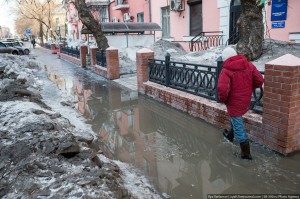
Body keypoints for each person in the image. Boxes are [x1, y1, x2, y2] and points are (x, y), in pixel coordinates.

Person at [217, 47, 264, 160]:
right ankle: (230, 136)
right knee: (235, 119)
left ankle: (246, 154)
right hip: (245, 100)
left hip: (234, 102)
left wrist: (223, 100)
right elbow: (259, 80)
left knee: (239, 126)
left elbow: (222, 89)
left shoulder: (226, 70)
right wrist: (248, 88)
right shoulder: (248, 65)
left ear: (225, 59)